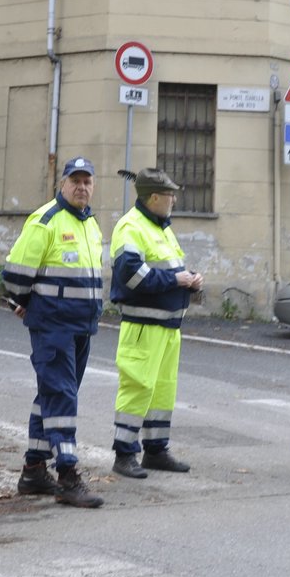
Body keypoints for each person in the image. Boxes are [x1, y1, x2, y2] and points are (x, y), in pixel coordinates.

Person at [2, 156, 106, 508]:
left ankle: (33, 470)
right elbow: (16, 272)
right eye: (75, 180)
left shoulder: (89, 223)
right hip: (53, 326)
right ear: (62, 184)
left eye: (87, 181)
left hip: (81, 327)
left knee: (53, 394)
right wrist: (18, 301)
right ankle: (68, 475)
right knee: (61, 396)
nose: (82, 187)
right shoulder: (46, 220)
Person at [108, 167, 204, 479]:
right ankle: (124, 454)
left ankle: (156, 450)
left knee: (162, 391)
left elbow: (168, 269)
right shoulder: (131, 227)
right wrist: (176, 278)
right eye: (169, 194)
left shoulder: (161, 228)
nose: (174, 199)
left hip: (167, 329)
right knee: (137, 387)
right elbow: (131, 275)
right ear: (153, 198)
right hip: (143, 328)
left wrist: (191, 280)